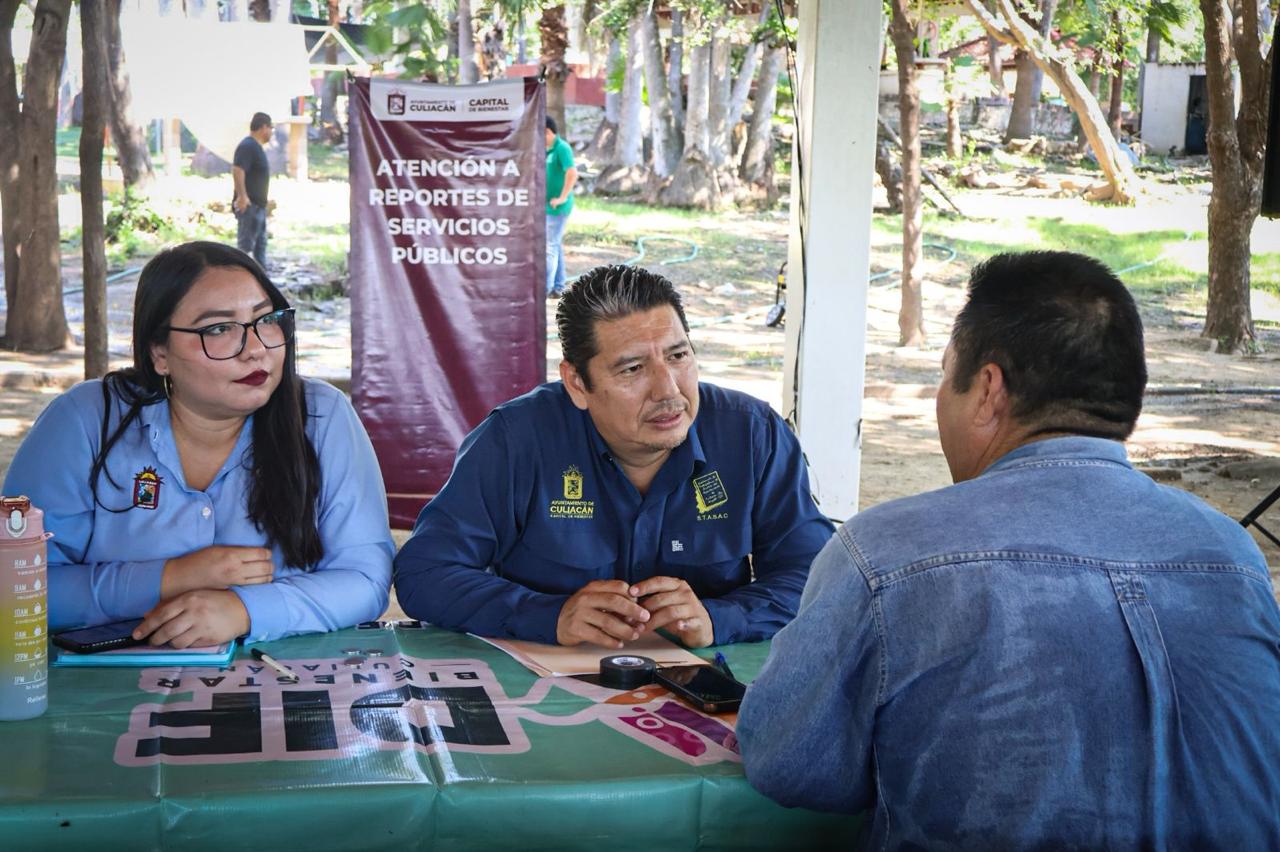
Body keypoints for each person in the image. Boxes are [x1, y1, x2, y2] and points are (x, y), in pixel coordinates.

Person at [737, 251, 1280, 848]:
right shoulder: (1234, 555)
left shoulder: (888, 553)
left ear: (988, 389)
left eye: (946, 375)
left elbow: (787, 762)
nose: (940, 397)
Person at [394, 264, 833, 648]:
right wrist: (550, 615)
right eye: (632, 369)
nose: (668, 390)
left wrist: (721, 619)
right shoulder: (517, 440)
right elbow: (425, 573)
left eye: (679, 356)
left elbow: (818, 577)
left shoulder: (752, 434)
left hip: (708, 690)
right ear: (577, 384)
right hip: (545, 700)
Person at [3, 241, 394, 647]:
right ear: (159, 354)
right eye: (218, 329)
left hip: (279, 684)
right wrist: (170, 578)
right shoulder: (85, 422)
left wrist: (245, 610)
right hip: (100, 690)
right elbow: (15, 587)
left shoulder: (320, 416)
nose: (256, 349)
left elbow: (365, 579)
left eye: (266, 320)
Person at [232, 112, 273, 268]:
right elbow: (237, 170)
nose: (271, 132)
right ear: (263, 127)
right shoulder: (248, 146)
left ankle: (263, 285)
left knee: (260, 250)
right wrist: (242, 196)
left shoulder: (256, 147)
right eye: (270, 128)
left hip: (259, 207)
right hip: (250, 207)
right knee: (245, 250)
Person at [544, 115, 577, 297]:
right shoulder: (545, 150)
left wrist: (562, 197)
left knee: (549, 247)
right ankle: (559, 286)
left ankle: (545, 288)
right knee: (555, 245)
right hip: (546, 206)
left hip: (558, 208)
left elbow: (571, 173)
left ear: (548, 132)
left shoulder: (562, 148)